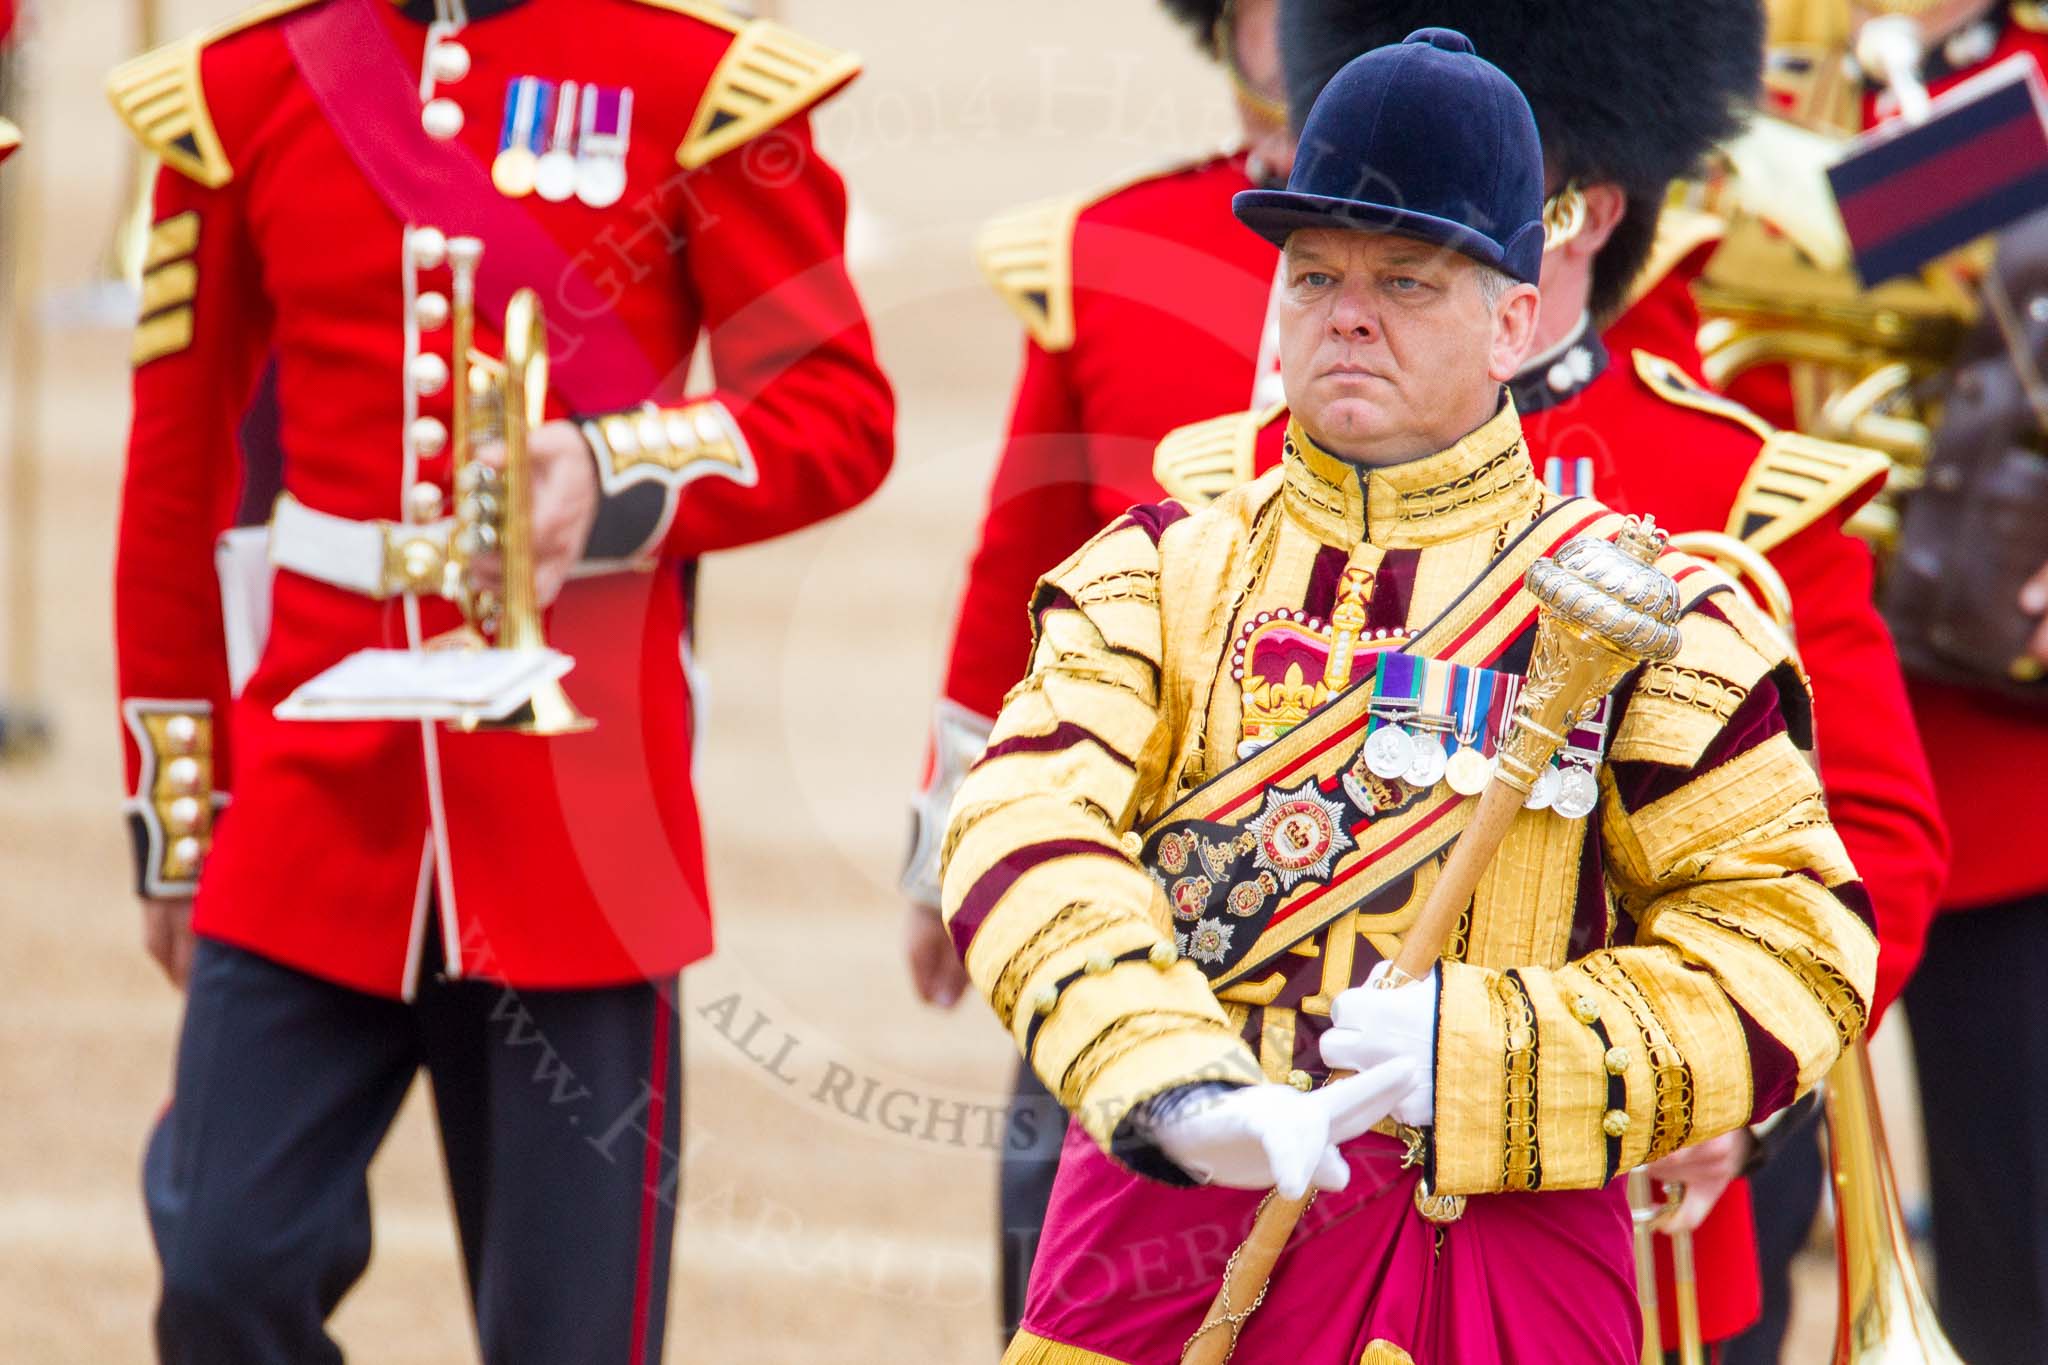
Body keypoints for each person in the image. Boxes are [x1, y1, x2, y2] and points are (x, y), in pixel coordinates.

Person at [943, 30, 1876, 1364]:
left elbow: (1795, 943)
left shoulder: (1651, 608)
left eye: (1406, 277)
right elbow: (1021, 822)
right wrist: (1171, 1076)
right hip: (1164, 1251)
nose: (1349, 312)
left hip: (1487, 1275)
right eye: (1313, 274)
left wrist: (1497, 1052)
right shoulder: (1158, 572)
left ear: (1515, 317)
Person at [108, 1, 893, 1360]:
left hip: (577, 816)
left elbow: (835, 405)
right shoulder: (240, 96)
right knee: (223, 1269)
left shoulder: (701, 83)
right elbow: (178, 484)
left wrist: (616, 466)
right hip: (309, 799)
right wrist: (179, 822)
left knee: (568, 1342)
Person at [1272, 5, 1949, 1358]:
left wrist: (1728, 1088)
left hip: (1637, 1200)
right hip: (1324, 1195)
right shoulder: (1249, 485)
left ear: (1575, 214)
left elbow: (1875, 844)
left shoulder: (1743, 493)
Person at [898, 0, 1293, 1339]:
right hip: (1122, 852)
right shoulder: (1114, 247)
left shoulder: (1472, 260)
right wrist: (943, 844)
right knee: (1054, 1232)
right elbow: (1021, 562)